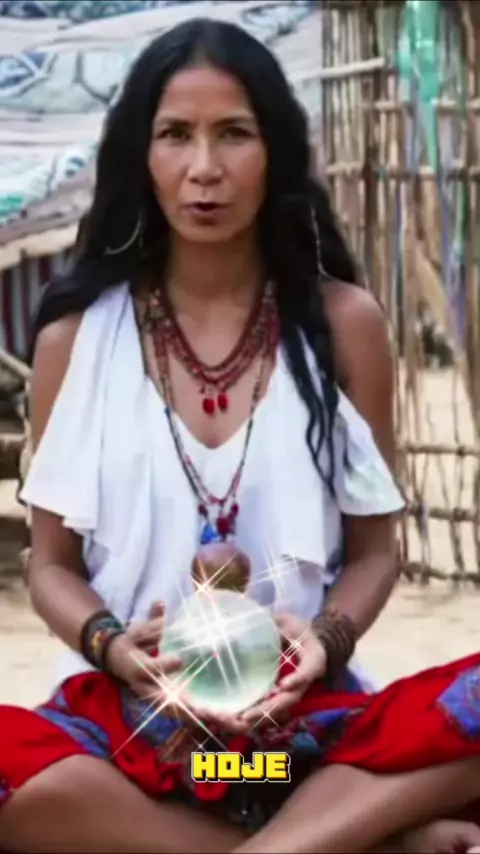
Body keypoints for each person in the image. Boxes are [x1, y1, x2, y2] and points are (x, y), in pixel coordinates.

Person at [1, 17, 480, 854]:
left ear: (276, 152)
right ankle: (350, 844)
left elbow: (375, 553)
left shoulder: (345, 326)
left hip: (297, 734)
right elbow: (50, 566)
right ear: (140, 156)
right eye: (175, 135)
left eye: (234, 134)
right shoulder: (75, 340)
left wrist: (323, 643)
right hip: (130, 732)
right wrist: (114, 649)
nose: (204, 168)